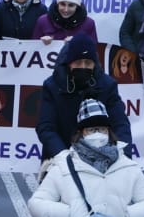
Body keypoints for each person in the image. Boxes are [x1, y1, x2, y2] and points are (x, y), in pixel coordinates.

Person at [38, 35, 133, 163]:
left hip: (100, 156)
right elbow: (46, 127)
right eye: (78, 62)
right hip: (60, 156)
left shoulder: (107, 85)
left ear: (94, 64)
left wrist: (123, 156)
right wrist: (63, 156)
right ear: (69, 63)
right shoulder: (52, 86)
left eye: (88, 63)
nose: (83, 67)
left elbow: (121, 124)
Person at [32, 0, 98, 45]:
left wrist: (78, 42)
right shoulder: (43, 21)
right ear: (57, 4)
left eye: (71, 5)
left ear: (77, 6)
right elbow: (31, 48)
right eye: (62, 4)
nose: (66, 10)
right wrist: (41, 43)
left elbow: (93, 51)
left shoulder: (89, 24)